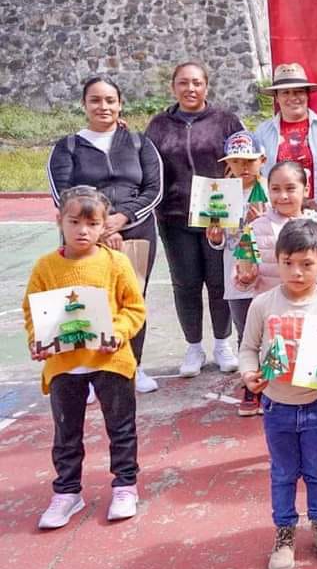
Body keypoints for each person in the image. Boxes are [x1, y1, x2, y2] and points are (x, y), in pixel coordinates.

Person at [25, 186, 146, 529]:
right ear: (59, 220)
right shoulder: (46, 266)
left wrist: (117, 333)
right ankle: (67, 492)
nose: (82, 230)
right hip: (64, 364)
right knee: (66, 432)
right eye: (74, 221)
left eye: (92, 223)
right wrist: (38, 340)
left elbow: (134, 308)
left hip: (111, 361)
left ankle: (125, 485)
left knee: (121, 428)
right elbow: (32, 311)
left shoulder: (116, 262)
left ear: (104, 225)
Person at [238, 219, 317, 569]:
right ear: (277, 258)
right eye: (288, 263)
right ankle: (284, 533)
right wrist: (248, 375)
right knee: (283, 473)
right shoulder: (262, 304)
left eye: (306, 264)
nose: (296, 272)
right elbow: (248, 349)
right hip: (277, 406)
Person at [47, 76, 162, 394]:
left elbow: (154, 189)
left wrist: (122, 218)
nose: (103, 106)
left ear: (120, 104)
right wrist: (98, 228)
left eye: (110, 100)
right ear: (84, 104)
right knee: (84, 302)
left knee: (132, 300)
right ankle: (88, 375)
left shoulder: (139, 142)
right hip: (84, 238)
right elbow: (64, 195)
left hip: (136, 232)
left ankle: (130, 368)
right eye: (95, 100)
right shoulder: (67, 146)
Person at [144, 61, 244, 378]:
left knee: (219, 282)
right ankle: (194, 347)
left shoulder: (226, 121)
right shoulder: (159, 125)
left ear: (206, 86)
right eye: (184, 83)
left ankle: (222, 343)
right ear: (173, 86)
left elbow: (244, 160)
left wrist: (232, 193)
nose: (191, 89)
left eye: (197, 83)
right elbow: (149, 167)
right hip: (174, 217)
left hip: (217, 216)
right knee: (185, 284)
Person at [206, 131, 268, 416]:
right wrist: (215, 235)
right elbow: (218, 243)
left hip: (269, 275)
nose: (243, 167)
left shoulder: (271, 189)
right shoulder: (221, 194)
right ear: (227, 163)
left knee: (272, 328)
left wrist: (264, 220)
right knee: (246, 332)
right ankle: (250, 384)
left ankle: (273, 385)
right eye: (236, 161)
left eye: (249, 161)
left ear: (262, 160)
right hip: (237, 276)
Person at [235, 161, 317, 300]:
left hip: (311, 307)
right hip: (271, 309)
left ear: (306, 189)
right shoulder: (255, 228)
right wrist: (246, 279)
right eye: (275, 189)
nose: (283, 196)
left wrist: (310, 288)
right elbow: (241, 271)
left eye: (290, 188)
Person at [253, 63, 317, 202]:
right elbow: (255, 175)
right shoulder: (262, 132)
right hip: (277, 210)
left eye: (298, 91)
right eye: (285, 92)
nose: (293, 97)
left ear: (307, 94)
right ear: (276, 97)